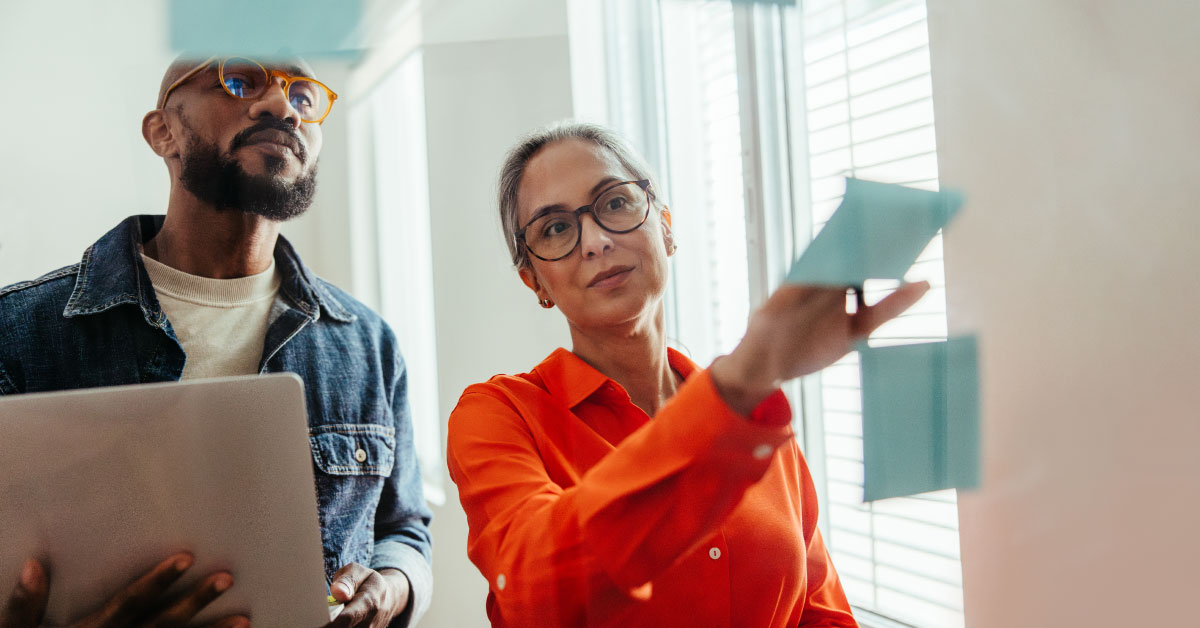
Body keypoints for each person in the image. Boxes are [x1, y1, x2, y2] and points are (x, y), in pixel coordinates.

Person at [0, 55, 432, 628]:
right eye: (239, 79)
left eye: (303, 96)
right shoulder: (20, 331)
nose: (281, 106)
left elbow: (404, 531)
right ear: (163, 132)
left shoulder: (368, 344)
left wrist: (393, 587)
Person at [446, 122, 929, 627]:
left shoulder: (756, 420)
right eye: (556, 228)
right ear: (535, 281)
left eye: (613, 203)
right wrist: (741, 383)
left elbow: (819, 612)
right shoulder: (499, 413)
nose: (595, 241)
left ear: (666, 226)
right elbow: (537, 587)